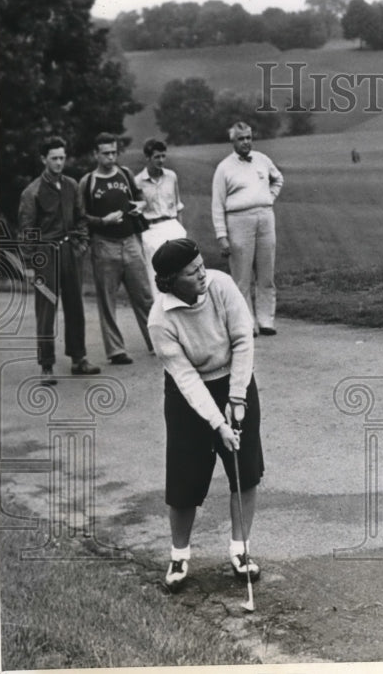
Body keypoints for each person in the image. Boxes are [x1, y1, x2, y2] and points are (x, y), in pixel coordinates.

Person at [147, 238, 264, 592]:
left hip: (235, 380)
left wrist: (237, 398)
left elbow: (243, 340)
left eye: (201, 266)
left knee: (245, 469)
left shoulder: (221, 285)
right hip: (188, 395)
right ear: (170, 282)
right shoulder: (160, 320)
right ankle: (179, 555)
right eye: (192, 272)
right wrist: (218, 423)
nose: (202, 274)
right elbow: (185, 377)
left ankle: (240, 550)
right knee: (185, 477)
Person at [18, 136, 101, 384]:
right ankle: (46, 366)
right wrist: (31, 264)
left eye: (62, 158)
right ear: (44, 159)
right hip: (45, 255)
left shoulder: (71, 185)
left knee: (75, 307)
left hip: (70, 252)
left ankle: (79, 359)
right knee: (46, 311)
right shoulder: (31, 192)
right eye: (54, 158)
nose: (59, 163)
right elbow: (26, 232)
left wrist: (82, 244)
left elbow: (81, 217)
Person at [78, 132, 154, 364]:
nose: (111, 157)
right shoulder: (88, 182)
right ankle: (116, 350)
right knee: (107, 300)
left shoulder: (126, 174)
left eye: (113, 152)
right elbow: (81, 217)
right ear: (96, 155)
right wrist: (103, 221)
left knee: (144, 296)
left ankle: (158, 341)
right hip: (104, 244)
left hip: (130, 241)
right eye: (106, 153)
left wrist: (138, 206)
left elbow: (141, 199)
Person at [211, 122, 284, 336]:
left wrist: (268, 198)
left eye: (249, 138)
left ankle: (266, 320)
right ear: (233, 141)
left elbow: (278, 178)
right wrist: (221, 235)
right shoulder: (224, 167)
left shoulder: (262, 159)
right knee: (241, 276)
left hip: (265, 217)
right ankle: (246, 322)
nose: (246, 142)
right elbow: (217, 203)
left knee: (266, 272)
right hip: (238, 219)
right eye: (241, 139)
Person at [135, 138, 187, 291]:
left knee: (180, 272)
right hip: (151, 229)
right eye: (157, 157)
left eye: (163, 156)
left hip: (172, 226)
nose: (161, 160)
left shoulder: (171, 176)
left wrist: (181, 230)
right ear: (147, 158)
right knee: (157, 275)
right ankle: (161, 312)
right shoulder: (138, 182)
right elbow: (136, 214)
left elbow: (178, 206)